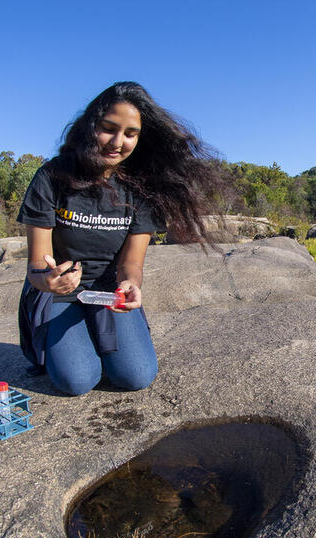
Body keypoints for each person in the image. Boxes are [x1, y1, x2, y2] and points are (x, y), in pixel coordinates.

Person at [17, 82, 226, 395]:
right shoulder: (52, 177)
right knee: (77, 380)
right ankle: (58, 342)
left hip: (107, 291)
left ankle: (95, 336)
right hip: (60, 291)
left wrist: (130, 285)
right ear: (91, 126)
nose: (118, 142)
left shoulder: (142, 188)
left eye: (130, 133)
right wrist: (48, 279)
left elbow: (131, 264)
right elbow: (36, 264)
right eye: (108, 129)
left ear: (141, 137)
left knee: (136, 375)